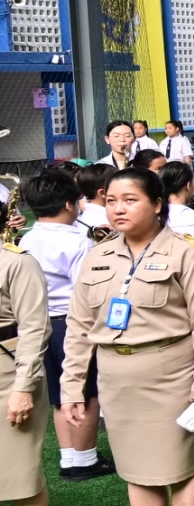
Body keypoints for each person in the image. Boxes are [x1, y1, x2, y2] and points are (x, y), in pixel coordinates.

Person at [60, 168, 194, 506]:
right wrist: (72, 385)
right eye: (112, 200)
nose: (118, 209)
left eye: (130, 200)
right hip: (115, 377)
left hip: (172, 374)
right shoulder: (97, 255)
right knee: (136, 469)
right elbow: (78, 328)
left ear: (157, 204)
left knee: (180, 467)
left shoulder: (187, 254)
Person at [20, 172, 109, 482]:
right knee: (86, 390)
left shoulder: (27, 238)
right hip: (72, 324)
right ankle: (85, 458)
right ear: (69, 204)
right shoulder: (77, 242)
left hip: (40, 324)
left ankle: (69, 455)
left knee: (60, 392)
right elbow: (87, 293)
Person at [0, 233, 53, 506]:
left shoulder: (17, 262)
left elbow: (34, 327)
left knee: (20, 467)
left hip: (9, 370)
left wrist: (24, 386)